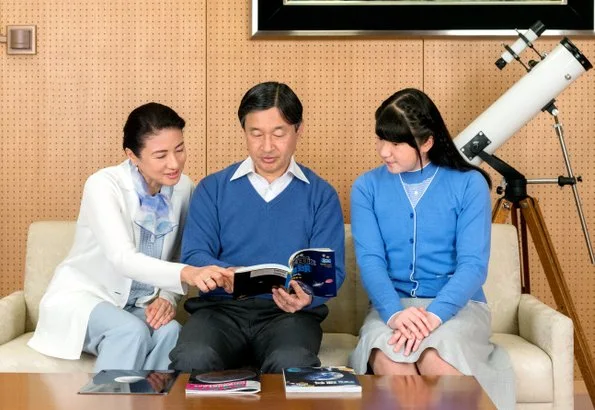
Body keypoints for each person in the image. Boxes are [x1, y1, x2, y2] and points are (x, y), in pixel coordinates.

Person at [28, 102, 234, 372]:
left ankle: (149, 402)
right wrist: (189, 273)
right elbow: (122, 258)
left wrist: (167, 298)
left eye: (180, 149)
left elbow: (177, 254)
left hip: (137, 303)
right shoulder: (103, 185)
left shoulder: (184, 188)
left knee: (170, 331)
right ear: (132, 155)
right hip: (87, 299)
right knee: (130, 331)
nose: (174, 163)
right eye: (161, 155)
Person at [348, 88, 515, 408]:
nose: (384, 151)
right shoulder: (366, 187)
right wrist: (394, 313)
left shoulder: (469, 184)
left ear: (427, 142)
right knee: (392, 364)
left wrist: (433, 316)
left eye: (396, 143)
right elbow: (370, 261)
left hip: (458, 307)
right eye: (381, 139)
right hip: (391, 308)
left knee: (436, 362)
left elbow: (473, 266)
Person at [169, 81, 345, 374]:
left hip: (289, 316)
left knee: (293, 364)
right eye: (256, 134)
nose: (266, 147)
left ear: (298, 131)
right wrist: (226, 274)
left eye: (278, 134)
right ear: (244, 132)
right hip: (219, 311)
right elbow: (195, 254)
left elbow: (332, 272)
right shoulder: (213, 188)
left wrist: (307, 296)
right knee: (192, 358)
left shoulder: (320, 195)